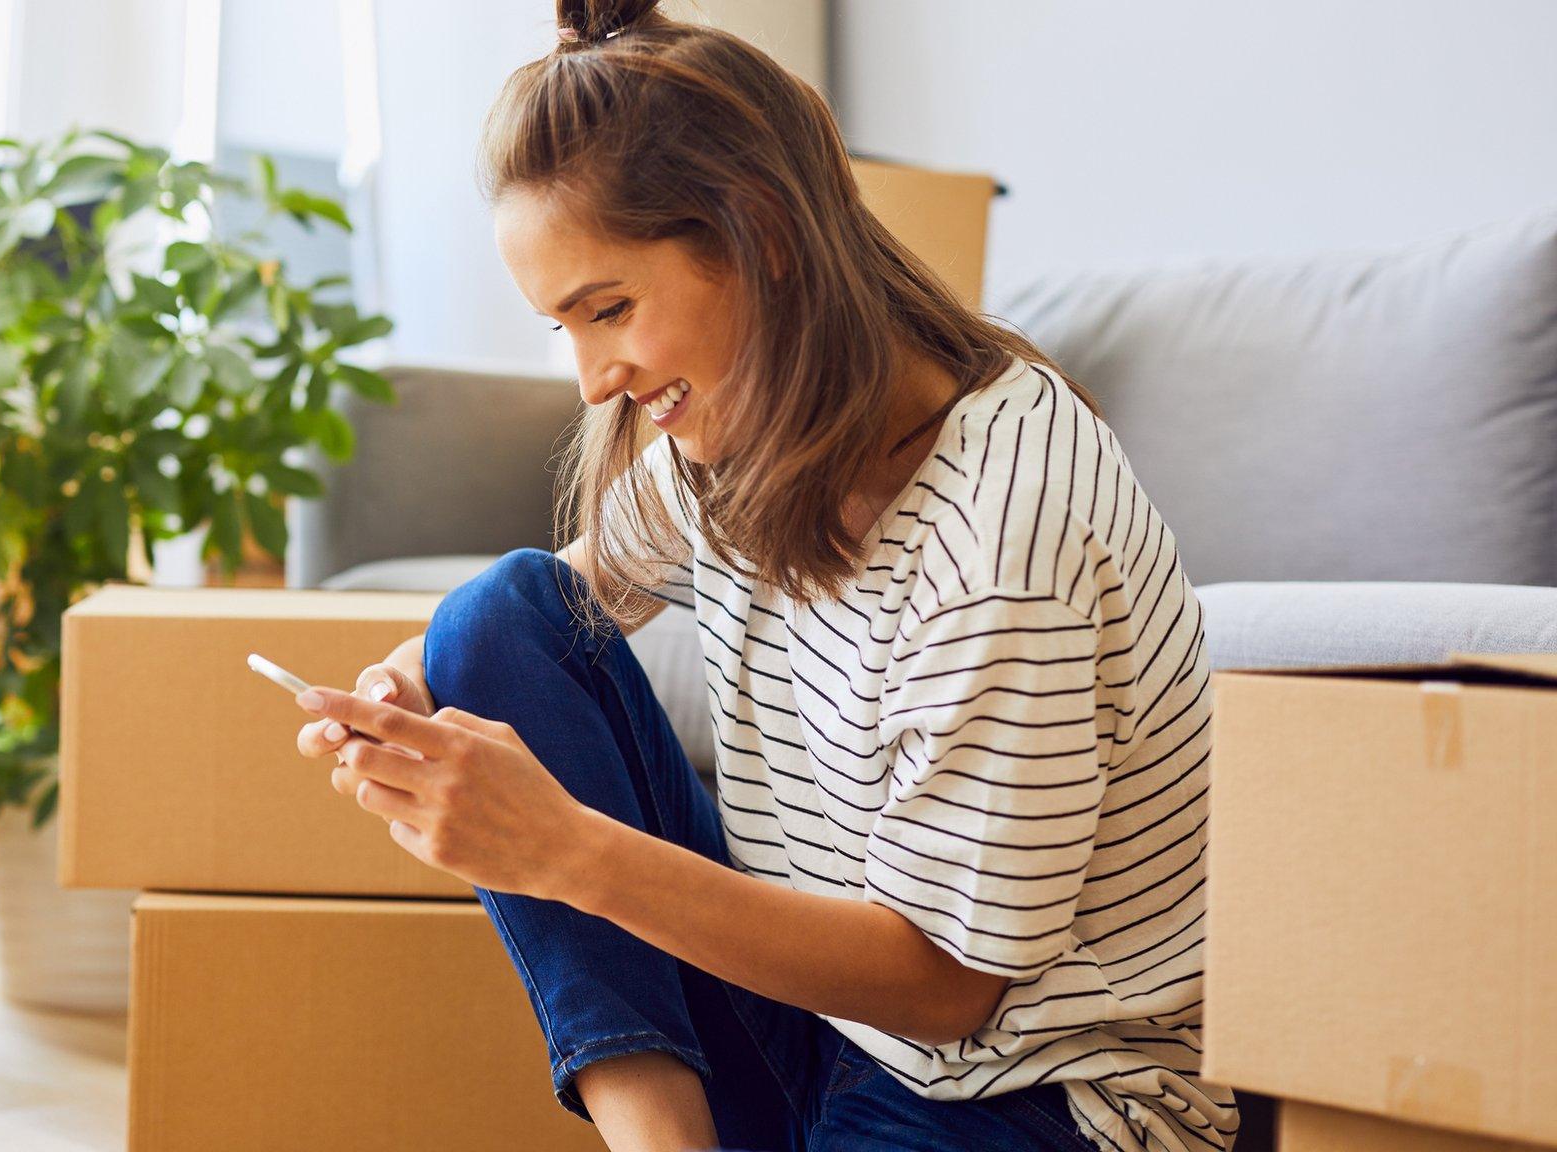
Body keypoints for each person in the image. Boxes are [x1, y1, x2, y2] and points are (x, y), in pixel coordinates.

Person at [289, 1, 1236, 1149]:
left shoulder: (1001, 531)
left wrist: (560, 847)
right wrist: (400, 704)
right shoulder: (735, 439)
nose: (591, 379)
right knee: (497, 614)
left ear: (762, 239)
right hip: (827, 1039)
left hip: (1028, 1097)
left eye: (610, 309)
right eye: (562, 326)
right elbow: (539, 624)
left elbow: (949, 992)